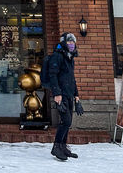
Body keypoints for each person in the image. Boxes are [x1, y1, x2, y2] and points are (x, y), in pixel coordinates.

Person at [48, 31, 82, 162]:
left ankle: (63, 146)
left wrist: (76, 95)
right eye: (69, 41)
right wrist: (56, 93)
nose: (71, 44)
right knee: (66, 121)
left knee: (68, 122)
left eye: (73, 42)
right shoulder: (57, 56)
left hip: (69, 94)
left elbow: (71, 78)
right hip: (60, 95)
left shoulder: (70, 57)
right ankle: (56, 147)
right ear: (63, 42)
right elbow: (53, 75)